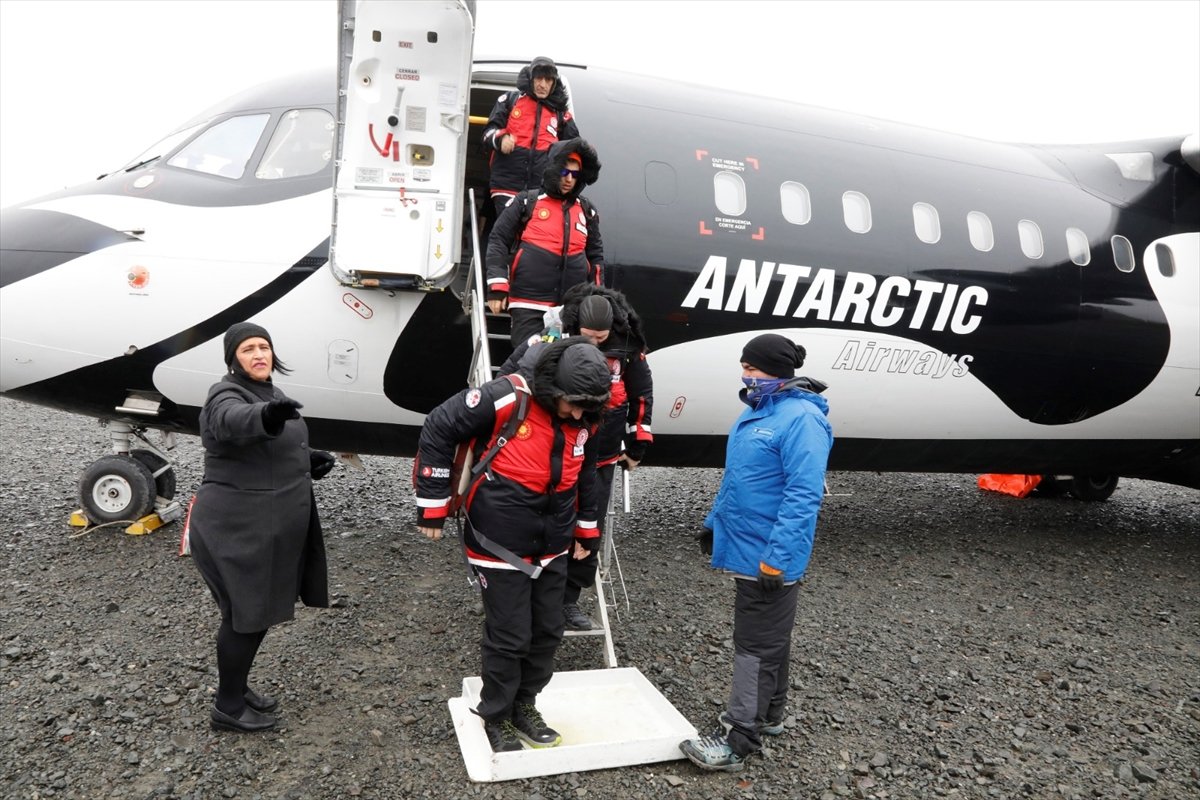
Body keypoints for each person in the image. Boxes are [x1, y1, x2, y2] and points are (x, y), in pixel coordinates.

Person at [414, 338, 611, 752]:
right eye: (572, 403)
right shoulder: (507, 396)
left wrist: (586, 531)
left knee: (547, 632)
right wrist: (432, 504)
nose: (578, 413)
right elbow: (439, 425)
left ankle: (525, 705)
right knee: (510, 636)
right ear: (552, 387)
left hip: (554, 543)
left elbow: (586, 471)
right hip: (498, 540)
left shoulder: (588, 412)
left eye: (586, 407)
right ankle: (496, 715)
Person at [678, 334, 833, 772]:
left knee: (754, 647)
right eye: (744, 367)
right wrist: (713, 523)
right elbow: (738, 480)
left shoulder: (800, 419)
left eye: (755, 368)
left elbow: (803, 496)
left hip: (767, 554)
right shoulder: (762, 410)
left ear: (779, 372)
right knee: (769, 641)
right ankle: (769, 716)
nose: (747, 375)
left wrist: (777, 559)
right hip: (748, 545)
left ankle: (738, 738)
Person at [187, 322, 335, 733]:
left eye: (264, 346)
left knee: (253, 614)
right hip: (236, 526)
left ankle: (236, 687)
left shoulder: (272, 392)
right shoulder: (226, 395)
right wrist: (265, 415)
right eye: (248, 348)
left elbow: (269, 447)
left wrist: (308, 461)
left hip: (261, 524)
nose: (258, 354)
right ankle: (228, 708)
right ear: (233, 358)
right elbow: (231, 423)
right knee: (245, 617)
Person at [497, 284, 654, 630]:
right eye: (587, 337)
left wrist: (637, 444)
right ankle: (525, 596)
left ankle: (566, 603)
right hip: (555, 454)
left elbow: (641, 395)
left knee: (589, 531)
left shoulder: (628, 348)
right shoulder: (551, 337)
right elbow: (509, 374)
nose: (594, 345)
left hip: (601, 456)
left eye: (601, 338)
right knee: (545, 524)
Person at [485, 138, 604, 346]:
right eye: (564, 172)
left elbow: (595, 257)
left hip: (570, 309)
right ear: (553, 169)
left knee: (564, 366)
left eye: (575, 175)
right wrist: (497, 286)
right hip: (528, 304)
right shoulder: (526, 201)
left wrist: (597, 297)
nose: (569, 179)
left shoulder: (587, 210)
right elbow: (498, 240)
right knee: (527, 361)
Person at [481, 56, 579, 223]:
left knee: (531, 239)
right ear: (531, 79)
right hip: (507, 186)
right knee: (507, 234)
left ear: (553, 83)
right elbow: (487, 133)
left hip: (541, 190)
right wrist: (501, 138)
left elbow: (575, 149)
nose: (543, 84)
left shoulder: (560, 114)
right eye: (539, 78)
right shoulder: (510, 100)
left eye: (548, 80)